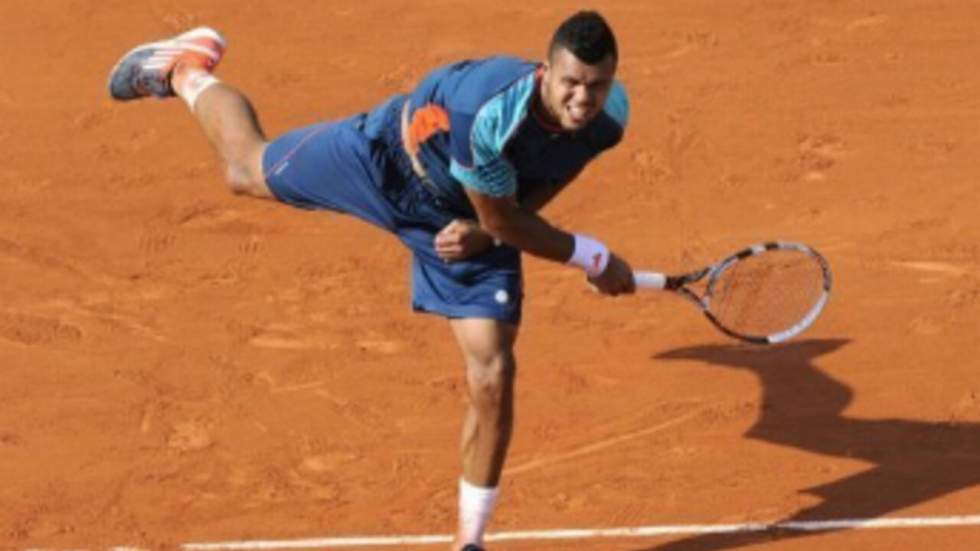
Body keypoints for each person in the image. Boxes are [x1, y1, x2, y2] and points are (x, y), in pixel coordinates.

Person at [107, 10, 636, 551]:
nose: (583, 100)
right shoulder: (486, 111)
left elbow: (542, 180)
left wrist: (486, 232)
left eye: (597, 86)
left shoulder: (608, 119)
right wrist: (593, 259)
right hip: (386, 163)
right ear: (545, 73)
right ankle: (186, 70)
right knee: (246, 170)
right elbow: (506, 217)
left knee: (492, 372)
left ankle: (469, 542)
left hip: (469, 219)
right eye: (571, 82)